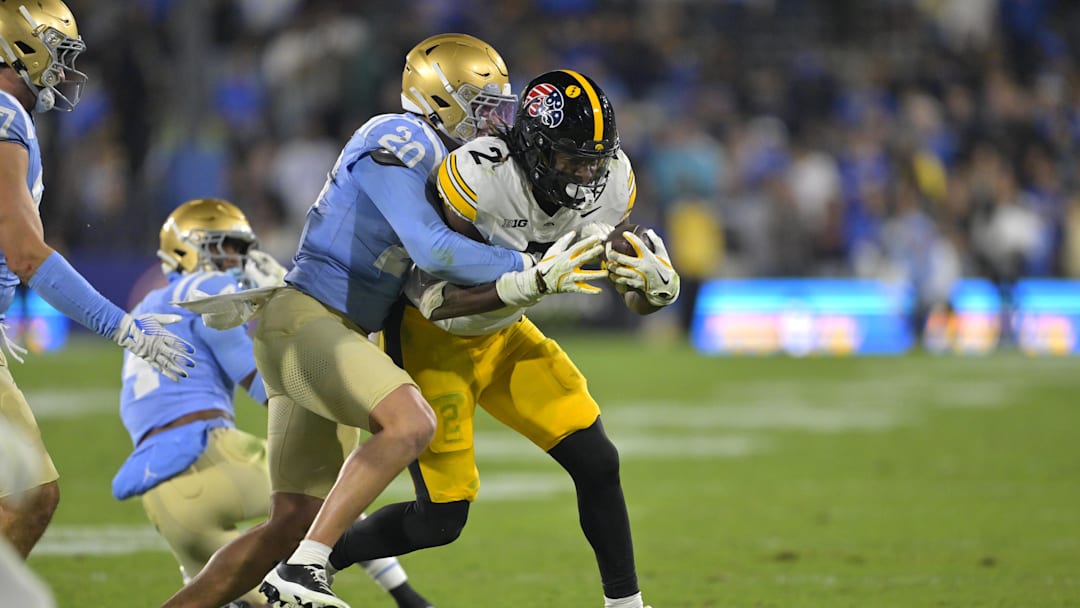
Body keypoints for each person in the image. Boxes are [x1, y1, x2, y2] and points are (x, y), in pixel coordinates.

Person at [166, 34, 597, 608]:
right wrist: (532, 266)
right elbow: (432, 250)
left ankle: (264, 573)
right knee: (410, 424)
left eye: (500, 103)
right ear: (440, 101)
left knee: (288, 524)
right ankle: (305, 573)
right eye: (481, 103)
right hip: (307, 320)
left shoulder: (468, 165)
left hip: (332, 333)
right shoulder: (398, 137)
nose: (496, 119)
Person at [325, 70, 680, 608]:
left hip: (504, 335)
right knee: (441, 520)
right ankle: (310, 561)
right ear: (534, 145)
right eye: (572, 158)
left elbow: (625, 287)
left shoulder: (608, 182)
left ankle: (626, 606)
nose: (587, 174)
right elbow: (432, 297)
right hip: (433, 341)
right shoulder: (480, 176)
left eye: (596, 159)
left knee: (598, 462)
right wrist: (529, 279)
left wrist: (654, 291)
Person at [118, 198, 434, 608]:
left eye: (239, 247)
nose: (236, 258)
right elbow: (262, 385)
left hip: (159, 496)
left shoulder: (149, 306)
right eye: (224, 247)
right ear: (188, 247)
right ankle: (406, 596)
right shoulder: (208, 289)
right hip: (206, 455)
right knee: (322, 500)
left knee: (237, 591)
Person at [0, 0, 195, 560]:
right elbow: (26, 254)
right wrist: (125, 328)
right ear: (22, 51)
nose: (61, 72)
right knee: (29, 498)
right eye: (56, 56)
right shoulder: (6, 116)